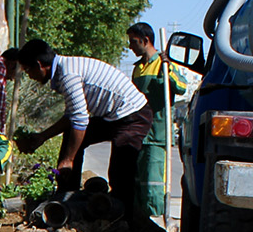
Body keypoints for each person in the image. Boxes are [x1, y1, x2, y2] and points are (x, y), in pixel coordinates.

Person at [14, 37, 153, 204]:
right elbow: (71, 116)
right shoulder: (64, 70)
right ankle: (66, 197)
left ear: (39, 65)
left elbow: (80, 120)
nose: (30, 76)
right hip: (114, 116)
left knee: (120, 170)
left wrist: (68, 160)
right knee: (71, 139)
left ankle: (122, 220)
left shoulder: (68, 74)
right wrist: (42, 137)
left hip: (133, 115)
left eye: (28, 70)